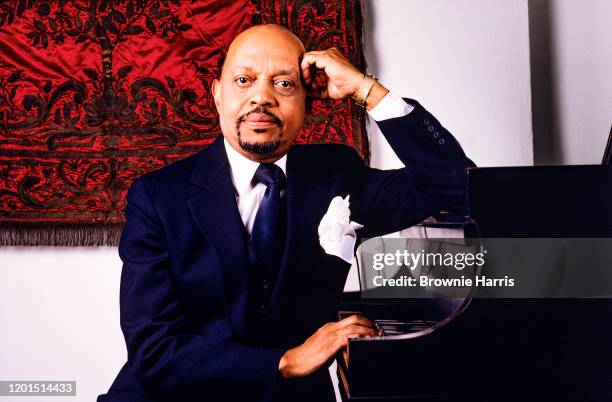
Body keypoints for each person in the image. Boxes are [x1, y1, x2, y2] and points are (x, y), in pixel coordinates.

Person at [98, 24, 474, 402]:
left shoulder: (337, 173)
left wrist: (365, 89)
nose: (261, 97)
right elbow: (153, 352)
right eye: (244, 80)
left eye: (284, 84)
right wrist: (287, 360)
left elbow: (454, 183)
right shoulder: (158, 197)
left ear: (307, 102)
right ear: (217, 94)